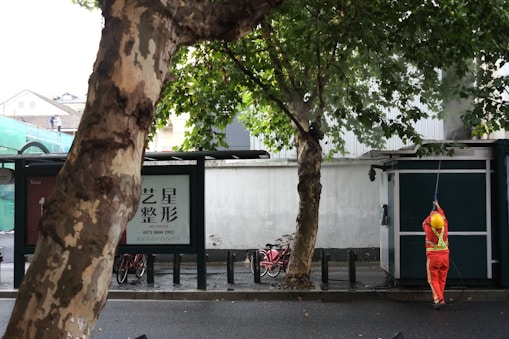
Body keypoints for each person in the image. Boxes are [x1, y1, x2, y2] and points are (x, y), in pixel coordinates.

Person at [422, 200, 449, 309]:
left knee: (433, 280)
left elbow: (424, 222)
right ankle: (438, 298)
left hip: (433, 258)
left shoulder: (429, 230)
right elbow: (443, 217)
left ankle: (439, 299)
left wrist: (431, 213)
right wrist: (438, 208)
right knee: (442, 279)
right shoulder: (445, 226)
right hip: (445, 257)